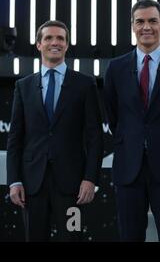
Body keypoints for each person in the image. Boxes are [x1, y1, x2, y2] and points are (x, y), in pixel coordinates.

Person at [104, 0, 160, 242]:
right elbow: (114, 116)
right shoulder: (115, 68)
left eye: (153, 21)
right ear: (132, 26)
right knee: (129, 236)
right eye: (140, 21)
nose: (147, 27)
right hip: (128, 166)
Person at [7, 20, 104, 241]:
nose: (55, 42)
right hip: (32, 185)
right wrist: (14, 181)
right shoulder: (24, 86)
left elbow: (95, 137)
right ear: (39, 44)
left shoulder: (85, 84)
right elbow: (15, 139)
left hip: (73, 188)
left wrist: (90, 179)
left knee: (72, 238)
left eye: (60, 38)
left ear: (67, 45)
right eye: (49, 38)